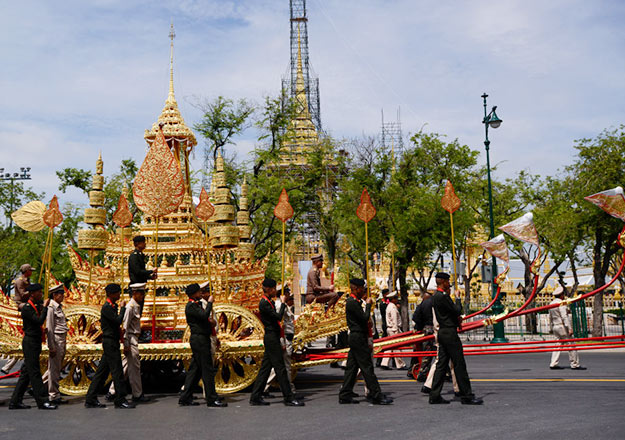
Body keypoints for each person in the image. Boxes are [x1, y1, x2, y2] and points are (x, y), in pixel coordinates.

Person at [429, 272, 482, 405]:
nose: (449, 284)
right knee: (459, 364)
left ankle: (434, 395)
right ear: (443, 282)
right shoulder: (443, 297)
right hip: (449, 333)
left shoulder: (436, 296)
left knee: (441, 364)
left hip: (443, 332)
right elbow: (456, 310)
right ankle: (466, 395)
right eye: (447, 281)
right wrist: (458, 298)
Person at [250, 278, 304, 406]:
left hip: (273, 337)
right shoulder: (264, 303)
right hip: (271, 337)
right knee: (280, 369)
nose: (275, 291)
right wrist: (284, 303)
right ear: (268, 289)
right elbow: (278, 317)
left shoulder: (269, 301)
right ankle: (288, 397)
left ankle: (255, 396)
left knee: (265, 369)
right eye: (273, 288)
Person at [338, 278, 393, 405]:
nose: (363, 290)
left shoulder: (355, 301)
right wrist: (368, 305)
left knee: (351, 368)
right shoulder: (352, 302)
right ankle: (376, 394)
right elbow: (364, 318)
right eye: (362, 288)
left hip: (357, 337)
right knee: (367, 367)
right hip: (358, 337)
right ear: (356, 288)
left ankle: (345, 394)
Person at [85, 283, 135, 409]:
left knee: (102, 372)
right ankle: (120, 398)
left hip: (112, 342)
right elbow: (118, 320)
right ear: (111, 294)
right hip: (110, 342)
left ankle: (91, 397)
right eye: (117, 292)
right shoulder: (107, 307)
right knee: (117, 371)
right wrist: (123, 309)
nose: (119, 295)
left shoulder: (112, 306)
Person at [9, 283, 57, 410]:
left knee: (26, 373)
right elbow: (39, 321)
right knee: (35, 373)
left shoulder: (34, 306)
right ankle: (42, 401)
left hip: (35, 341)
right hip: (30, 342)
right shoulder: (27, 308)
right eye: (39, 292)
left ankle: (15, 401)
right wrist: (45, 308)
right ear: (32, 294)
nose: (41, 294)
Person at [178, 283, 226, 407]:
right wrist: (209, 303)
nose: (201, 293)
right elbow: (204, 315)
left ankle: (185, 397)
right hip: (199, 339)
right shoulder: (191, 306)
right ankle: (211, 398)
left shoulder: (195, 305)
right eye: (199, 292)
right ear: (194, 294)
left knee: (195, 370)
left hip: (202, 338)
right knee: (207, 369)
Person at [107, 283, 149, 403]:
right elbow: (124, 327)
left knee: (125, 366)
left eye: (143, 293)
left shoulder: (135, 305)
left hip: (133, 338)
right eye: (141, 293)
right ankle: (137, 394)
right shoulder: (130, 307)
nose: (142, 296)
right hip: (130, 339)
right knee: (134, 368)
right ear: (134, 293)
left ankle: (112, 391)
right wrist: (126, 344)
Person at [2, 263, 33, 375]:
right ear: (26, 271)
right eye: (30, 270)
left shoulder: (27, 280)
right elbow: (23, 294)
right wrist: (33, 291)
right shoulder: (20, 281)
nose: (32, 272)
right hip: (20, 304)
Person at [264, 287, 296, 396]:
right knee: (285, 366)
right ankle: (290, 391)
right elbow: (279, 323)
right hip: (284, 337)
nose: (289, 295)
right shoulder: (279, 305)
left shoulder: (283, 305)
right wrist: (282, 341)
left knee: (277, 366)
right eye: (287, 293)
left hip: (287, 336)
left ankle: (264, 387)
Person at [549, 286, 585, 370]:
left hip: (555, 326)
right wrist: (569, 328)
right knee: (571, 344)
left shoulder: (551, 304)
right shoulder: (561, 303)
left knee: (557, 345)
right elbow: (564, 316)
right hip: (562, 326)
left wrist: (551, 327)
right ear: (561, 295)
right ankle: (574, 364)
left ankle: (553, 363)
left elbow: (550, 317)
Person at [45, 283, 68, 405]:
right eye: (60, 294)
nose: (62, 296)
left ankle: (48, 390)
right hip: (56, 340)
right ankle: (53, 395)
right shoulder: (51, 308)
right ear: (55, 295)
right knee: (54, 369)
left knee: (56, 368)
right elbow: (49, 328)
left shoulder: (58, 307)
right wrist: (51, 346)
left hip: (62, 339)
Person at [411, 291, 435, 380]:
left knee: (425, 351)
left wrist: (420, 327)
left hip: (425, 328)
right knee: (434, 352)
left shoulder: (421, 305)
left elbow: (415, 317)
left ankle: (415, 369)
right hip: (434, 328)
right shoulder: (434, 303)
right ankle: (423, 372)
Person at [380, 292, 406, 370]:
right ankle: (400, 364)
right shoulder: (393, 307)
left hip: (390, 329)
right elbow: (394, 320)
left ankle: (384, 363)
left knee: (389, 347)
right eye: (396, 298)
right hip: (393, 329)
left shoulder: (390, 306)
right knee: (396, 347)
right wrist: (396, 330)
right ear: (393, 299)